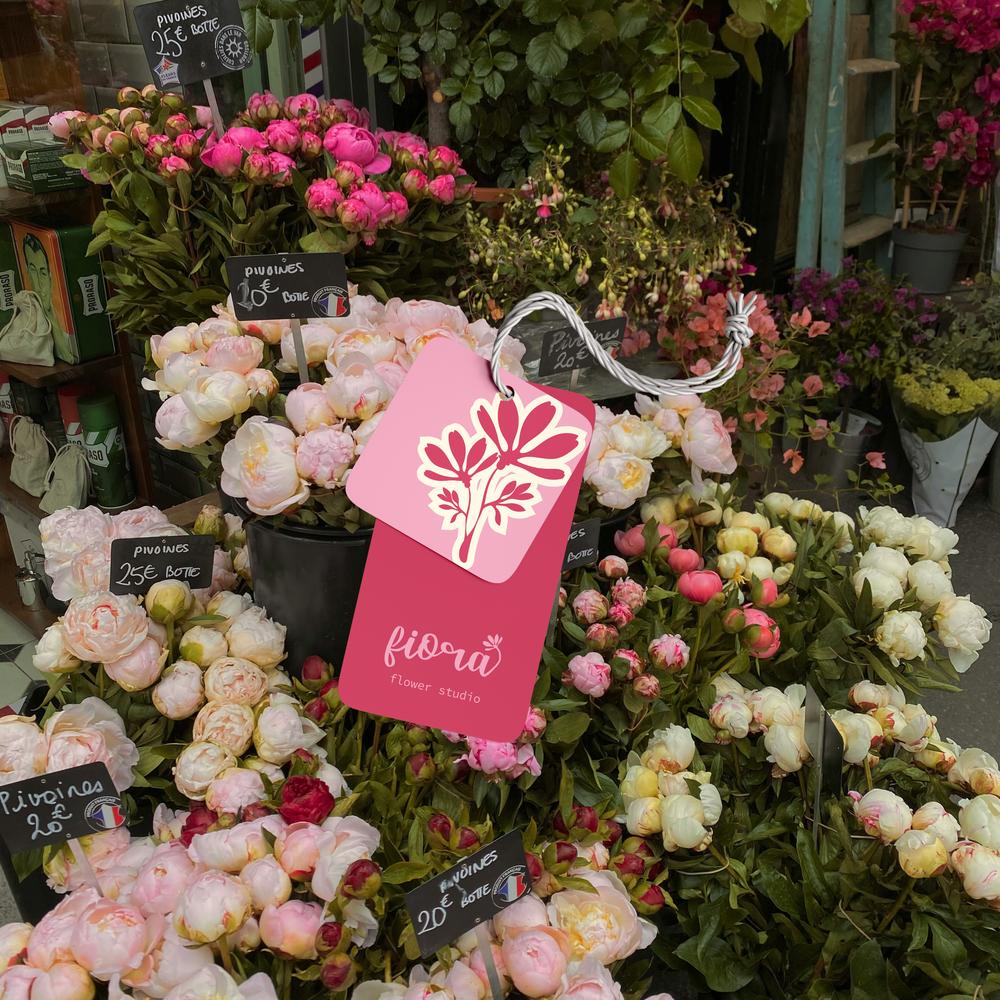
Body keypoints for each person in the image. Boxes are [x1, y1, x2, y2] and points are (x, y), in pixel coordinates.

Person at [23, 232, 77, 362]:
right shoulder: (29, 333)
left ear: (50, 276)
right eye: (33, 270)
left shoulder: (70, 336)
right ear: (27, 273)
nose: (40, 285)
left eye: (42, 272)